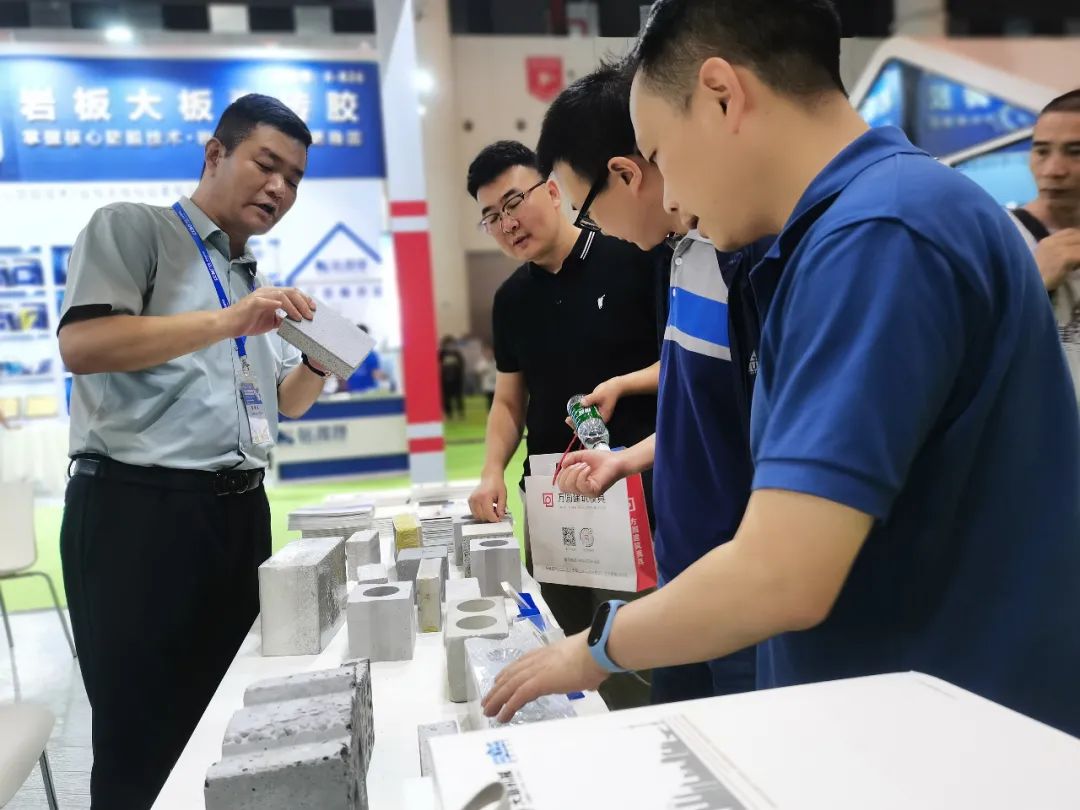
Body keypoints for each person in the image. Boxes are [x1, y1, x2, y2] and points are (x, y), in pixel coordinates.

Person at [482, 0, 1080, 740]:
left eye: (662, 153)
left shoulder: (877, 236)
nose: (671, 197)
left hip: (947, 737)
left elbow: (783, 572)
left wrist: (595, 650)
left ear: (722, 95)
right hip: (894, 719)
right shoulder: (834, 234)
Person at [57, 94, 332, 808]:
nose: (280, 188)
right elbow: (83, 344)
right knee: (142, 735)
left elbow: (286, 401)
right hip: (138, 511)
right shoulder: (133, 229)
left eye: (294, 179)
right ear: (215, 154)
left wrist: (320, 360)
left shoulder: (250, 280)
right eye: (266, 164)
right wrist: (228, 320)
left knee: (231, 714)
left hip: (239, 514)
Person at [535, 59, 774, 703]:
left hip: (742, 590)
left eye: (586, 212)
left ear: (627, 172)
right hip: (686, 574)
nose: (592, 229)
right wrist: (626, 460)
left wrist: (600, 649)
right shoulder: (684, 256)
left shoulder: (750, 257)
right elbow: (704, 410)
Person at [465, 140, 660, 709]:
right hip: (552, 500)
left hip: (634, 490)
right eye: (491, 216)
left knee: (635, 654)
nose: (507, 224)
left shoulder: (634, 259)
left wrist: (625, 384)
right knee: (560, 644)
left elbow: (682, 364)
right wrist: (492, 470)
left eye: (513, 202)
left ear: (553, 191)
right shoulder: (510, 300)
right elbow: (509, 402)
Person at [1009, 89, 1080, 401]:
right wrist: (1035, 283)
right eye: (1041, 151)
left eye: (1075, 152)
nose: (1053, 170)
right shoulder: (1000, 237)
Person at [345, 324, 388, 393]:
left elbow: (376, 374)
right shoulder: (348, 354)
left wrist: (384, 377)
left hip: (368, 394)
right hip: (352, 393)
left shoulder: (371, 355)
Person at [439, 335, 467, 418]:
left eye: (451, 344)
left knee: (458, 397)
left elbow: (462, 365)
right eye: (447, 345)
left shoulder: (457, 354)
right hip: (445, 380)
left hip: (456, 380)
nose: (449, 346)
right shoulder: (441, 355)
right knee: (446, 398)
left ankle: (460, 413)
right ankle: (449, 414)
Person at [476, 344, 498, 410]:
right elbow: (478, 371)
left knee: (497, 401)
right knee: (490, 402)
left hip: (497, 385)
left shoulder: (496, 362)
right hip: (488, 386)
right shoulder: (483, 363)